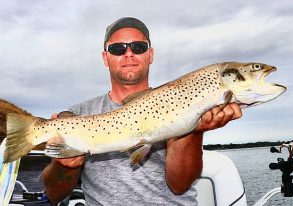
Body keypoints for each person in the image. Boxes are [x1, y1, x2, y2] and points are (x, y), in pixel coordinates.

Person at [42, 17, 242, 205]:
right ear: (105, 58)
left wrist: (194, 131)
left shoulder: (178, 102)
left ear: (150, 54)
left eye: (138, 47)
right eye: (118, 49)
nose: (129, 54)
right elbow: (54, 194)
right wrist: (64, 165)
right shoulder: (78, 114)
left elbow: (180, 186)